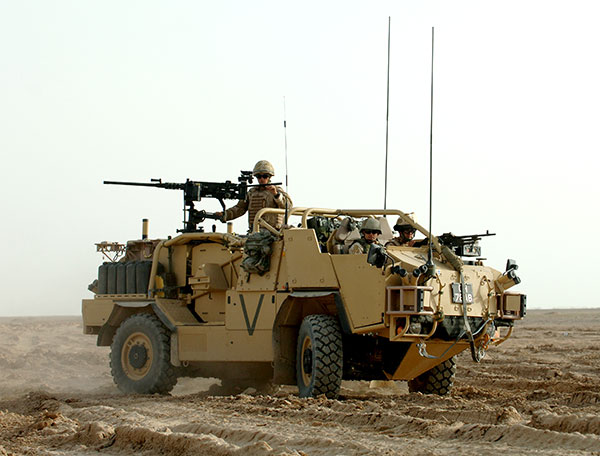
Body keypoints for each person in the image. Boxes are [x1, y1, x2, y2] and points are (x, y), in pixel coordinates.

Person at [216, 160, 292, 231]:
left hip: (273, 232)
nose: (261, 179)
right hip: (255, 231)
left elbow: (288, 206)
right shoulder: (252, 192)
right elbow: (239, 208)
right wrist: (224, 214)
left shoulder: (276, 190)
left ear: (269, 177)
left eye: (265, 176)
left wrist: (276, 194)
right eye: (259, 176)